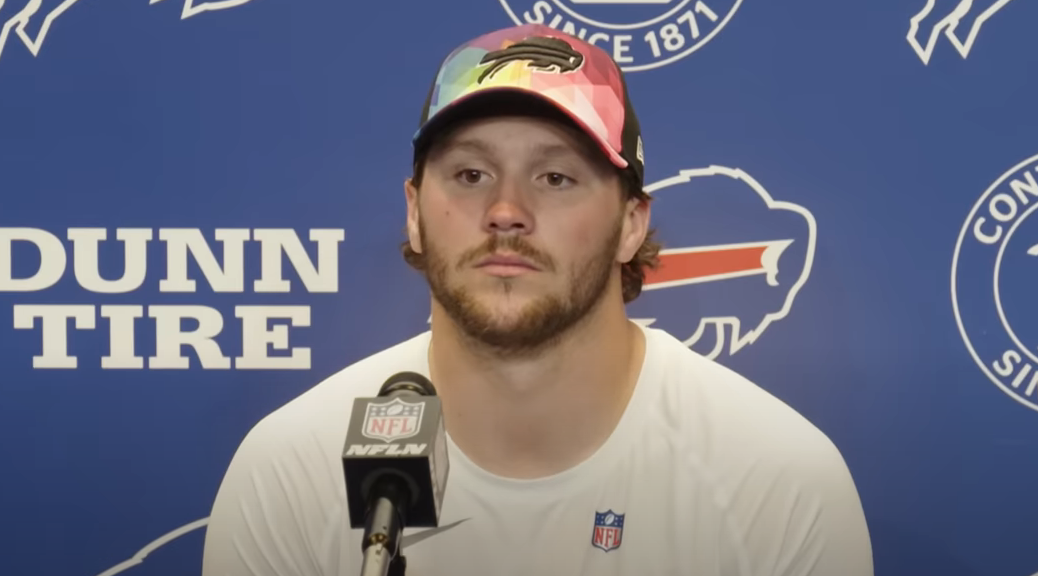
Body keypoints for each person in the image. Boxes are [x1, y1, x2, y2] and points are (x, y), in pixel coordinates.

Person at [201, 23, 874, 576]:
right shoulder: (289, 472)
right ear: (413, 212)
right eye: (470, 174)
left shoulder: (778, 482)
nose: (504, 210)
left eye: (554, 176)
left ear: (631, 223)